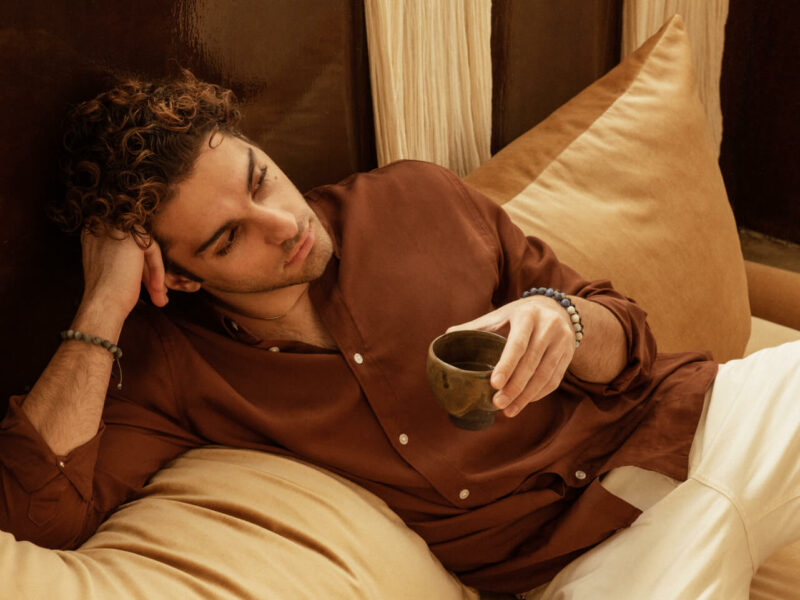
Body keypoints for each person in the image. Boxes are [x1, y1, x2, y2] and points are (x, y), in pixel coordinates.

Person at [1, 71, 798, 599]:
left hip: (711, 428)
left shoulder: (414, 198)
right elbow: (38, 519)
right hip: (600, 567)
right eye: (225, 239)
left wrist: (563, 320)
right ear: (178, 277)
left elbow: (629, 335)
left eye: (259, 179)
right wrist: (103, 301)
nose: (282, 224)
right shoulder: (175, 369)